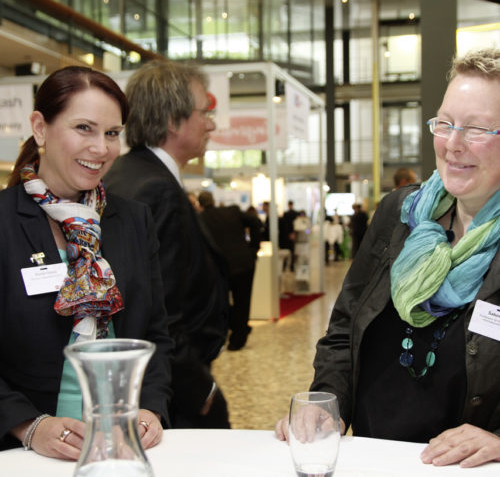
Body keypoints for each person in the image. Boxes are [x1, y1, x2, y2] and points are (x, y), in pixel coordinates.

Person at [275, 48, 500, 468]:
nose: (453, 144)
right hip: (370, 456)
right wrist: (329, 401)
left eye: (476, 128)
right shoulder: (400, 212)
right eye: (445, 123)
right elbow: (344, 325)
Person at [0, 66, 174, 458]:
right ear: (40, 128)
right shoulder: (5, 224)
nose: (101, 148)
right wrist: (29, 426)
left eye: (112, 133)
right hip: (28, 454)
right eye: (84, 128)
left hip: (122, 447)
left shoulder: (132, 220)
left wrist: (150, 408)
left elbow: (157, 335)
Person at [104, 59, 231, 429]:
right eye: (204, 112)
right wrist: (199, 388)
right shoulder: (155, 189)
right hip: (171, 388)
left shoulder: (126, 174)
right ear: (172, 120)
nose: (211, 124)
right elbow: (159, 307)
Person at [198, 191, 262, 350]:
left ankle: (237, 330)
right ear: (214, 199)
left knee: (221, 304)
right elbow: (255, 221)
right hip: (244, 263)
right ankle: (239, 337)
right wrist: (254, 248)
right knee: (243, 301)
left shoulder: (201, 219)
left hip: (221, 267)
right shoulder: (232, 211)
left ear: (200, 205)